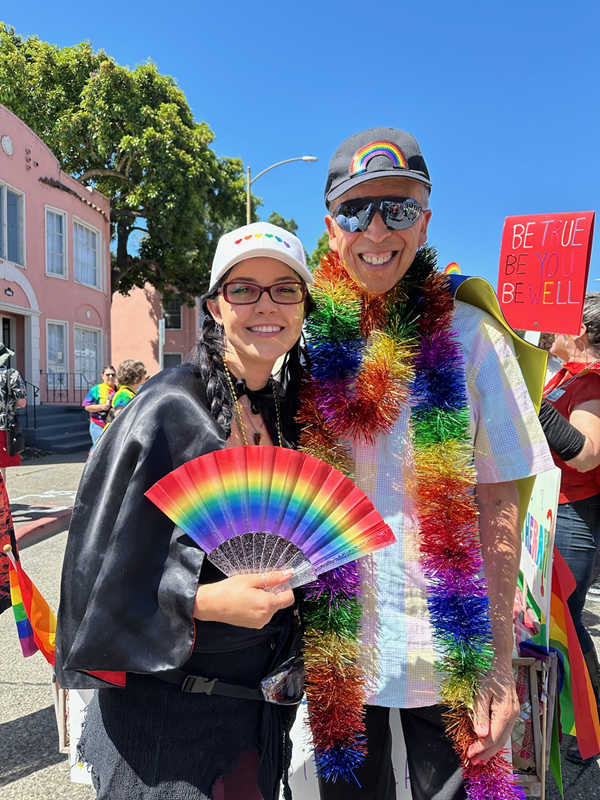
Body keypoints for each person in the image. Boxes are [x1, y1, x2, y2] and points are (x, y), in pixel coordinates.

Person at [300, 128, 554, 800]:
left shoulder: (474, 337)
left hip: (449, 650)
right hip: (338, 648)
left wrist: (497, 656)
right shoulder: (300, 340)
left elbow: (500, 499)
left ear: (425, 222)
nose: (377, 228)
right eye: (356, 210)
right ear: (331, 227)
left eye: (398, 208)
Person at [55, 221, 313, 800]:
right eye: (243, 289)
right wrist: (204, 602)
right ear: (216, 307)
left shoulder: (290, 413)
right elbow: (96, 576)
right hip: (165, 726)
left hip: (256, 721)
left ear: (303, 307)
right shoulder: (170, 405)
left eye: (285, 289)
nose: (265, 305)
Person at [539, 296, 600, 763]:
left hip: (574, 516)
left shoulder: (593, 380)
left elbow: (587, 454)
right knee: (559, 624)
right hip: (550, 508)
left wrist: (533, 404)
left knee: (566, 625)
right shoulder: (566, 376)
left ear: (578, 329)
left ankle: (587, 727)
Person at [0, 343, 27, 482]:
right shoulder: (12, 375)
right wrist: (10, 406)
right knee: (1, 467)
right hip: (3, 426)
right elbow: (22, 402)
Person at [82, 366, 117, 445]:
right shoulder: (96, 389)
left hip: (114, 424)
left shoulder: (119, 389)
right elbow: (87, 406)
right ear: (102, 376)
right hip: (98, 424)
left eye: (113, 375)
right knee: (99, 447)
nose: (111, 377)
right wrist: (101, 407)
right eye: (108, 375)